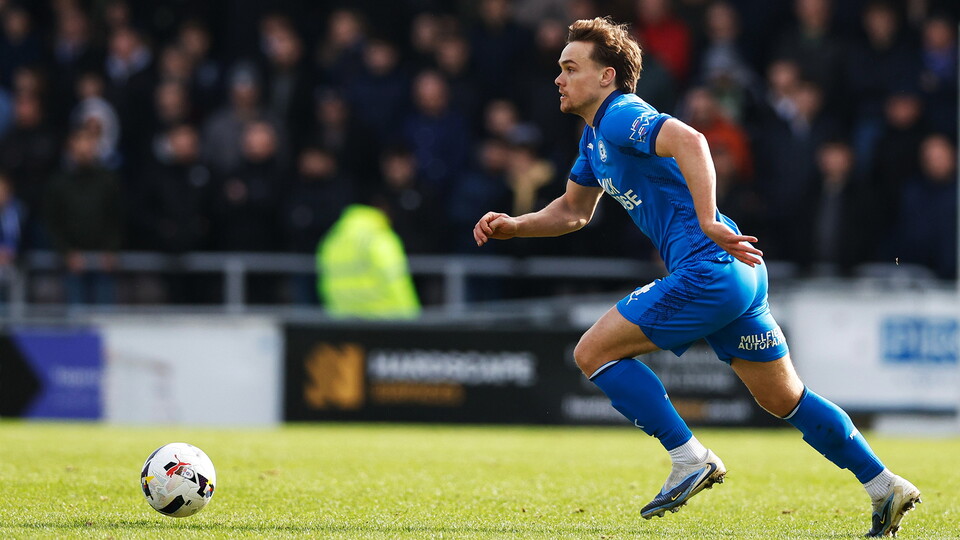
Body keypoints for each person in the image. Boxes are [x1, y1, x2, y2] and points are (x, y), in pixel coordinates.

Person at [472, 17, 920, 537]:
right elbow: (573, 212)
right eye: (559, 68)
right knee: (785, 399)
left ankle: (689, 457)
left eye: (571, 68)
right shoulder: (593, 140)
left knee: (592, 352)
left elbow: (692, 141)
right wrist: (517, 225)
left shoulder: (620, 115)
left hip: (708, 267)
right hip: (738, 275)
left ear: (606, 76)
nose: (559, 78)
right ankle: (884, 485)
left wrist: (707, 218)